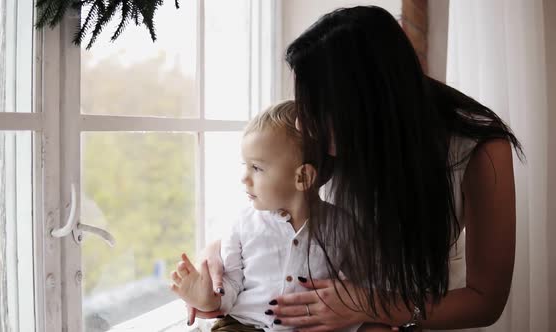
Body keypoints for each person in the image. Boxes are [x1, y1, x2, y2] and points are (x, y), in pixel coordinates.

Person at [188, 5, 523, 332]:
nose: (305, 122)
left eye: (318, 106)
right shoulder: (323, 136)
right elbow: (279, 211)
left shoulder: (480, 148)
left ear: (367, 101)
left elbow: (485, 301)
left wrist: (368, 305)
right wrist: (219, 257)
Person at [170, 101, 372, 331]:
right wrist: (205, 298)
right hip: (244, 325)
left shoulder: (343, 227)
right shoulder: (242, 224)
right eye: (245, 165)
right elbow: (231, 284)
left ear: (303, 177)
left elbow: (361, 288)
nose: (244, 178)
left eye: (256, 168)